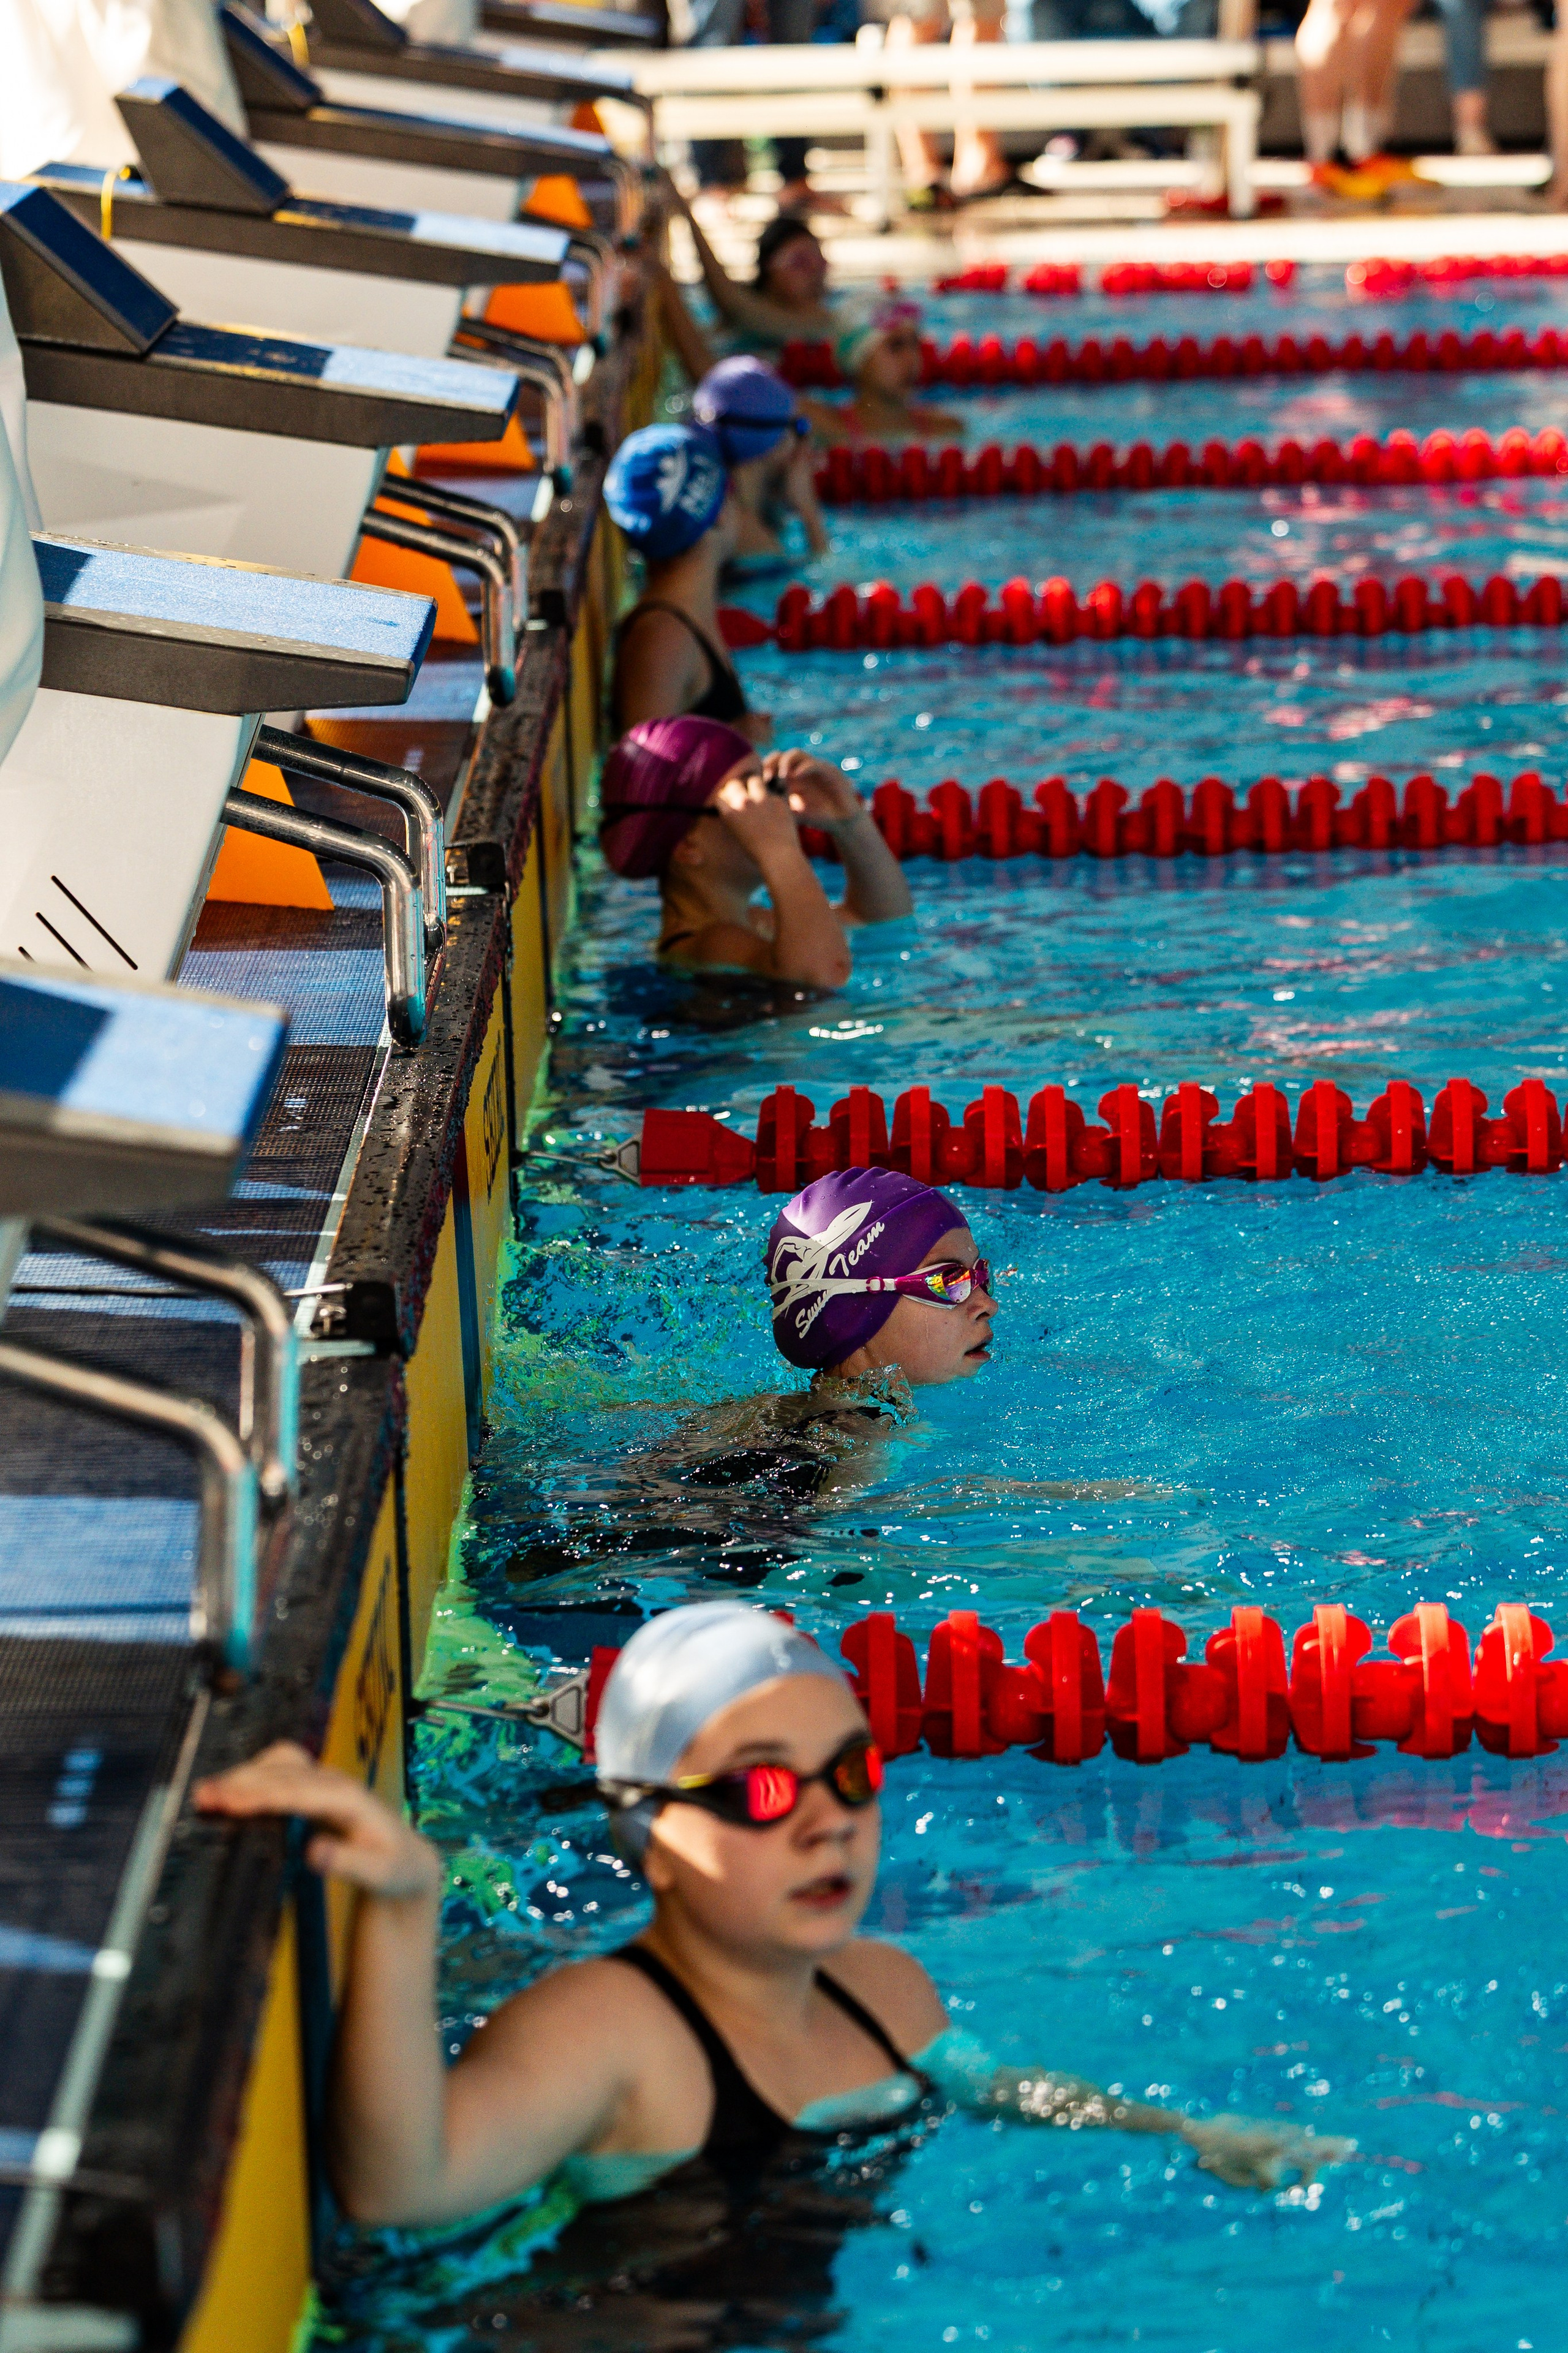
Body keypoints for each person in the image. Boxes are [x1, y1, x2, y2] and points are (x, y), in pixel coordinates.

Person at [196, 1601, 1354, 2261]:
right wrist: (402, 1907)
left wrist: (1176, 2125)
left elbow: (998, 2088)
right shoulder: (610, 2033)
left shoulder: (884, 1990)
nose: (825, 1826)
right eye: (760, 1792)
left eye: (849, 1774)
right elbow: (406, 2187)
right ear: (647, 1835)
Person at [598, 715, 912, 986]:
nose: (775, 805)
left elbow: (880, 918)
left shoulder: (752, 921)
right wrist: (779, 850)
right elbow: (827, 973)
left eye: (769, 786)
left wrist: (850, 823)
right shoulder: (710, 944)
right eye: (751, 795)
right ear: (688, 846)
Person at [605, 422, 769, 743]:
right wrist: (724, 750)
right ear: (718, 512)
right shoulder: (663, 642)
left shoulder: (690, 613)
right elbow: (639, 787)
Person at [693, 354, 830, 565]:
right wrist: (810, 514)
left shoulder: (707, 502)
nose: (807, 447)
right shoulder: (751, 538)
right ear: (776, 443)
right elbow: (823, 579)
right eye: (799, 428)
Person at [801, 293, 966, 448]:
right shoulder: (827, 428)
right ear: (858, 360)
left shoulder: (947, 430)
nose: (912, 358)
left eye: (915, 343)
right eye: (896, 345)